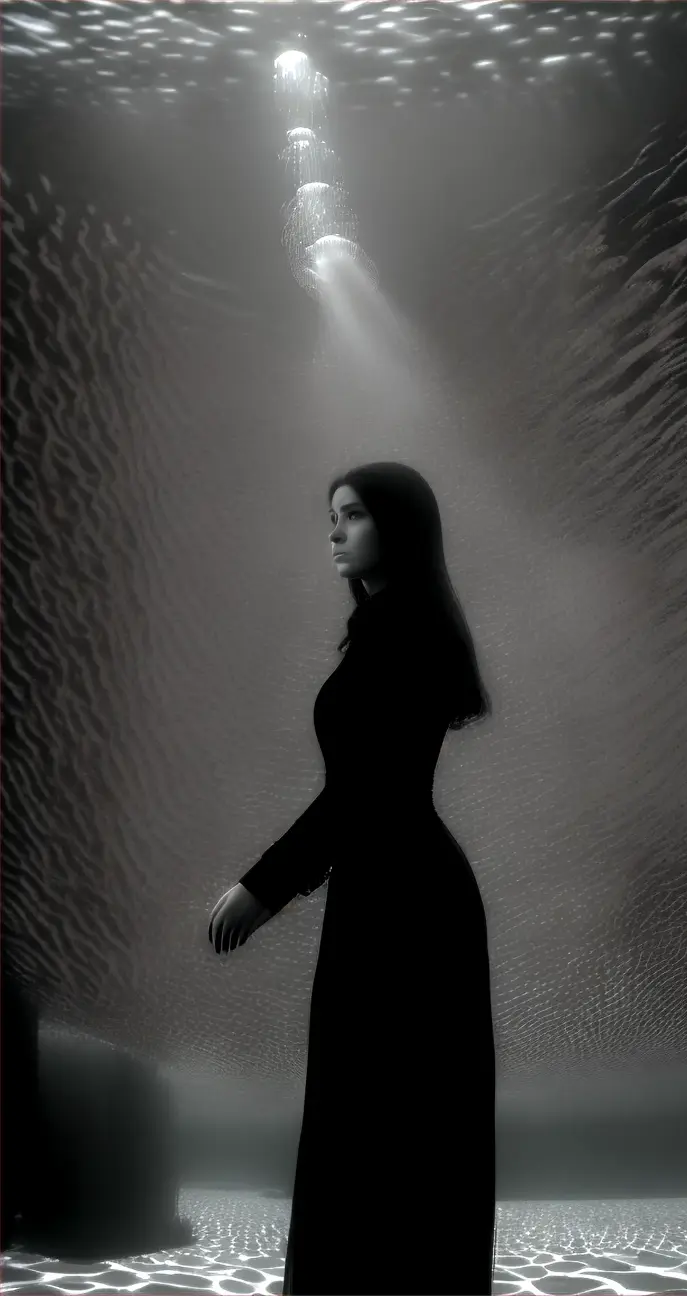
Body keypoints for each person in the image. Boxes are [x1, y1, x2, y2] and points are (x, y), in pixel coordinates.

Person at [208, 461, 496, 1295]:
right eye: (333, 517)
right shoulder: (392, 628)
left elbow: (362, 791)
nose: (334, 532)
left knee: (377, 1128)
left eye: (353, 515)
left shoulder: (399, 634)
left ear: (397, 526)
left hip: (403, 905)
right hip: (395, 892)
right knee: (388, 1131)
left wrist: (262, 888)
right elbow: (360, 794)